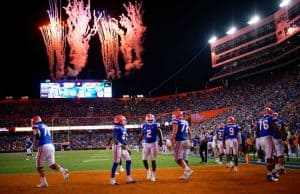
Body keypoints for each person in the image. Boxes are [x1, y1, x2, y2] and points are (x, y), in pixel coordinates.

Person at [31, 115, 69, 188]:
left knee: (39, 165)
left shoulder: (36, 126)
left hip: (44, 146)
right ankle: (63, 171)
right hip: (51, 146)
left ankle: (44, 183)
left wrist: (33, 144)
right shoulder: (45, 125)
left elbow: (37, 135)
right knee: (51, 164)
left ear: (35, 121)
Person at [109, 115, 136, 185]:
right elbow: (114, 139)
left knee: (129, 160)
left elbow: (124, 140)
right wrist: (122, 145)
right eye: (123, 120)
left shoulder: (124, 128)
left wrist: (127, 147)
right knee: (116, 162)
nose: (125, 121)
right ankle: (112, 180)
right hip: (117, 146)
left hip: (123, 146)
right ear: (119, 121)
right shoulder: (116, 128)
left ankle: (128, 178)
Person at [254, 107, 279, 182]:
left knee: (272, 156)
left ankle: (273, 172)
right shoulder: (271, 118)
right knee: (269, 158)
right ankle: (269, 175)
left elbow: (257, 131)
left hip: (261, 139)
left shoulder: (259, 120)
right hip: (268, 138)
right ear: (270, 112)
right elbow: (276, 127)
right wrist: (280, 135)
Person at [138, 113, 163, 182]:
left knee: (153, 160)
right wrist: (138, 142)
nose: (150, 121)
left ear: (154, 119)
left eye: (151, 120)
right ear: (146, 120)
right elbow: (142, 134)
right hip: (146, 144)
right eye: (149, 120)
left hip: (154, 144)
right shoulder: (144, 126)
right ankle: (148, 171)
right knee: (144, 159)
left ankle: (153, 175)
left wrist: (161, 144)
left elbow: (160, 134)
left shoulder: (156, 125)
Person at [170, 110, 193, 180]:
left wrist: (171, 140)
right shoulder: (186, 122)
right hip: (187, 141)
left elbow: (175, 132)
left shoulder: (176, 121)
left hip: (180, 141)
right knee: (184, 159)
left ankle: (188, 169)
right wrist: (191, 142)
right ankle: (186, 175)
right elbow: (189, 133)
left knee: (178, 159)